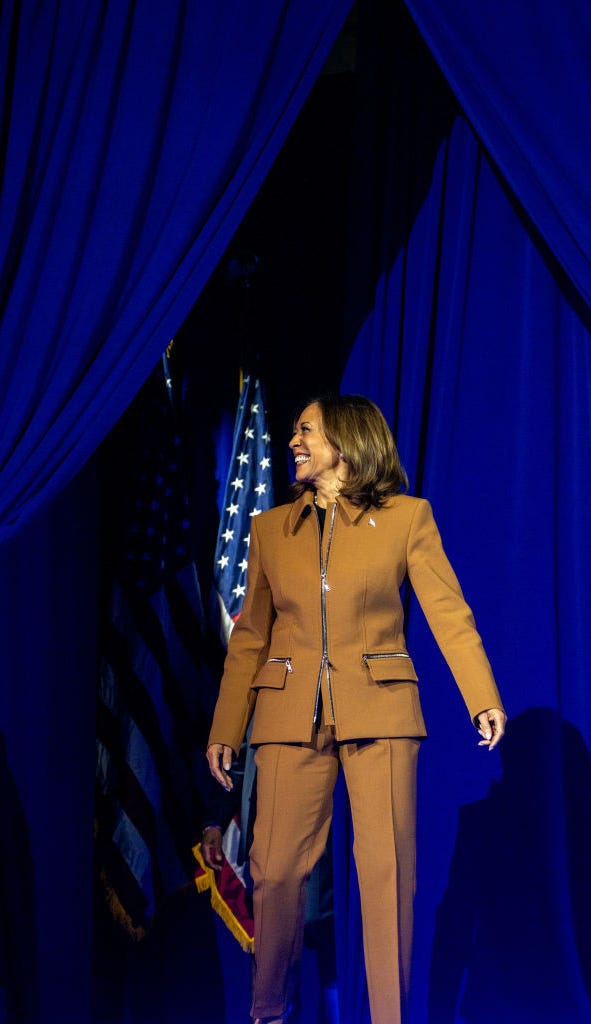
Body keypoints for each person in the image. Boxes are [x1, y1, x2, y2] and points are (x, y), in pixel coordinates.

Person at [206, 394, 506, 1024]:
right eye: (293, 432)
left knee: (386, 876)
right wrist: (226, 727)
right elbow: (251, 638)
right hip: (288, 715)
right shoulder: (269, 530)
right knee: (276, 872)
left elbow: (448, 613)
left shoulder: (406, 519)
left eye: (305, 430)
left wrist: (481, 697)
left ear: (344, 441)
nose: (293, 440)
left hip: (381, 709)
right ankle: (268, 1012)